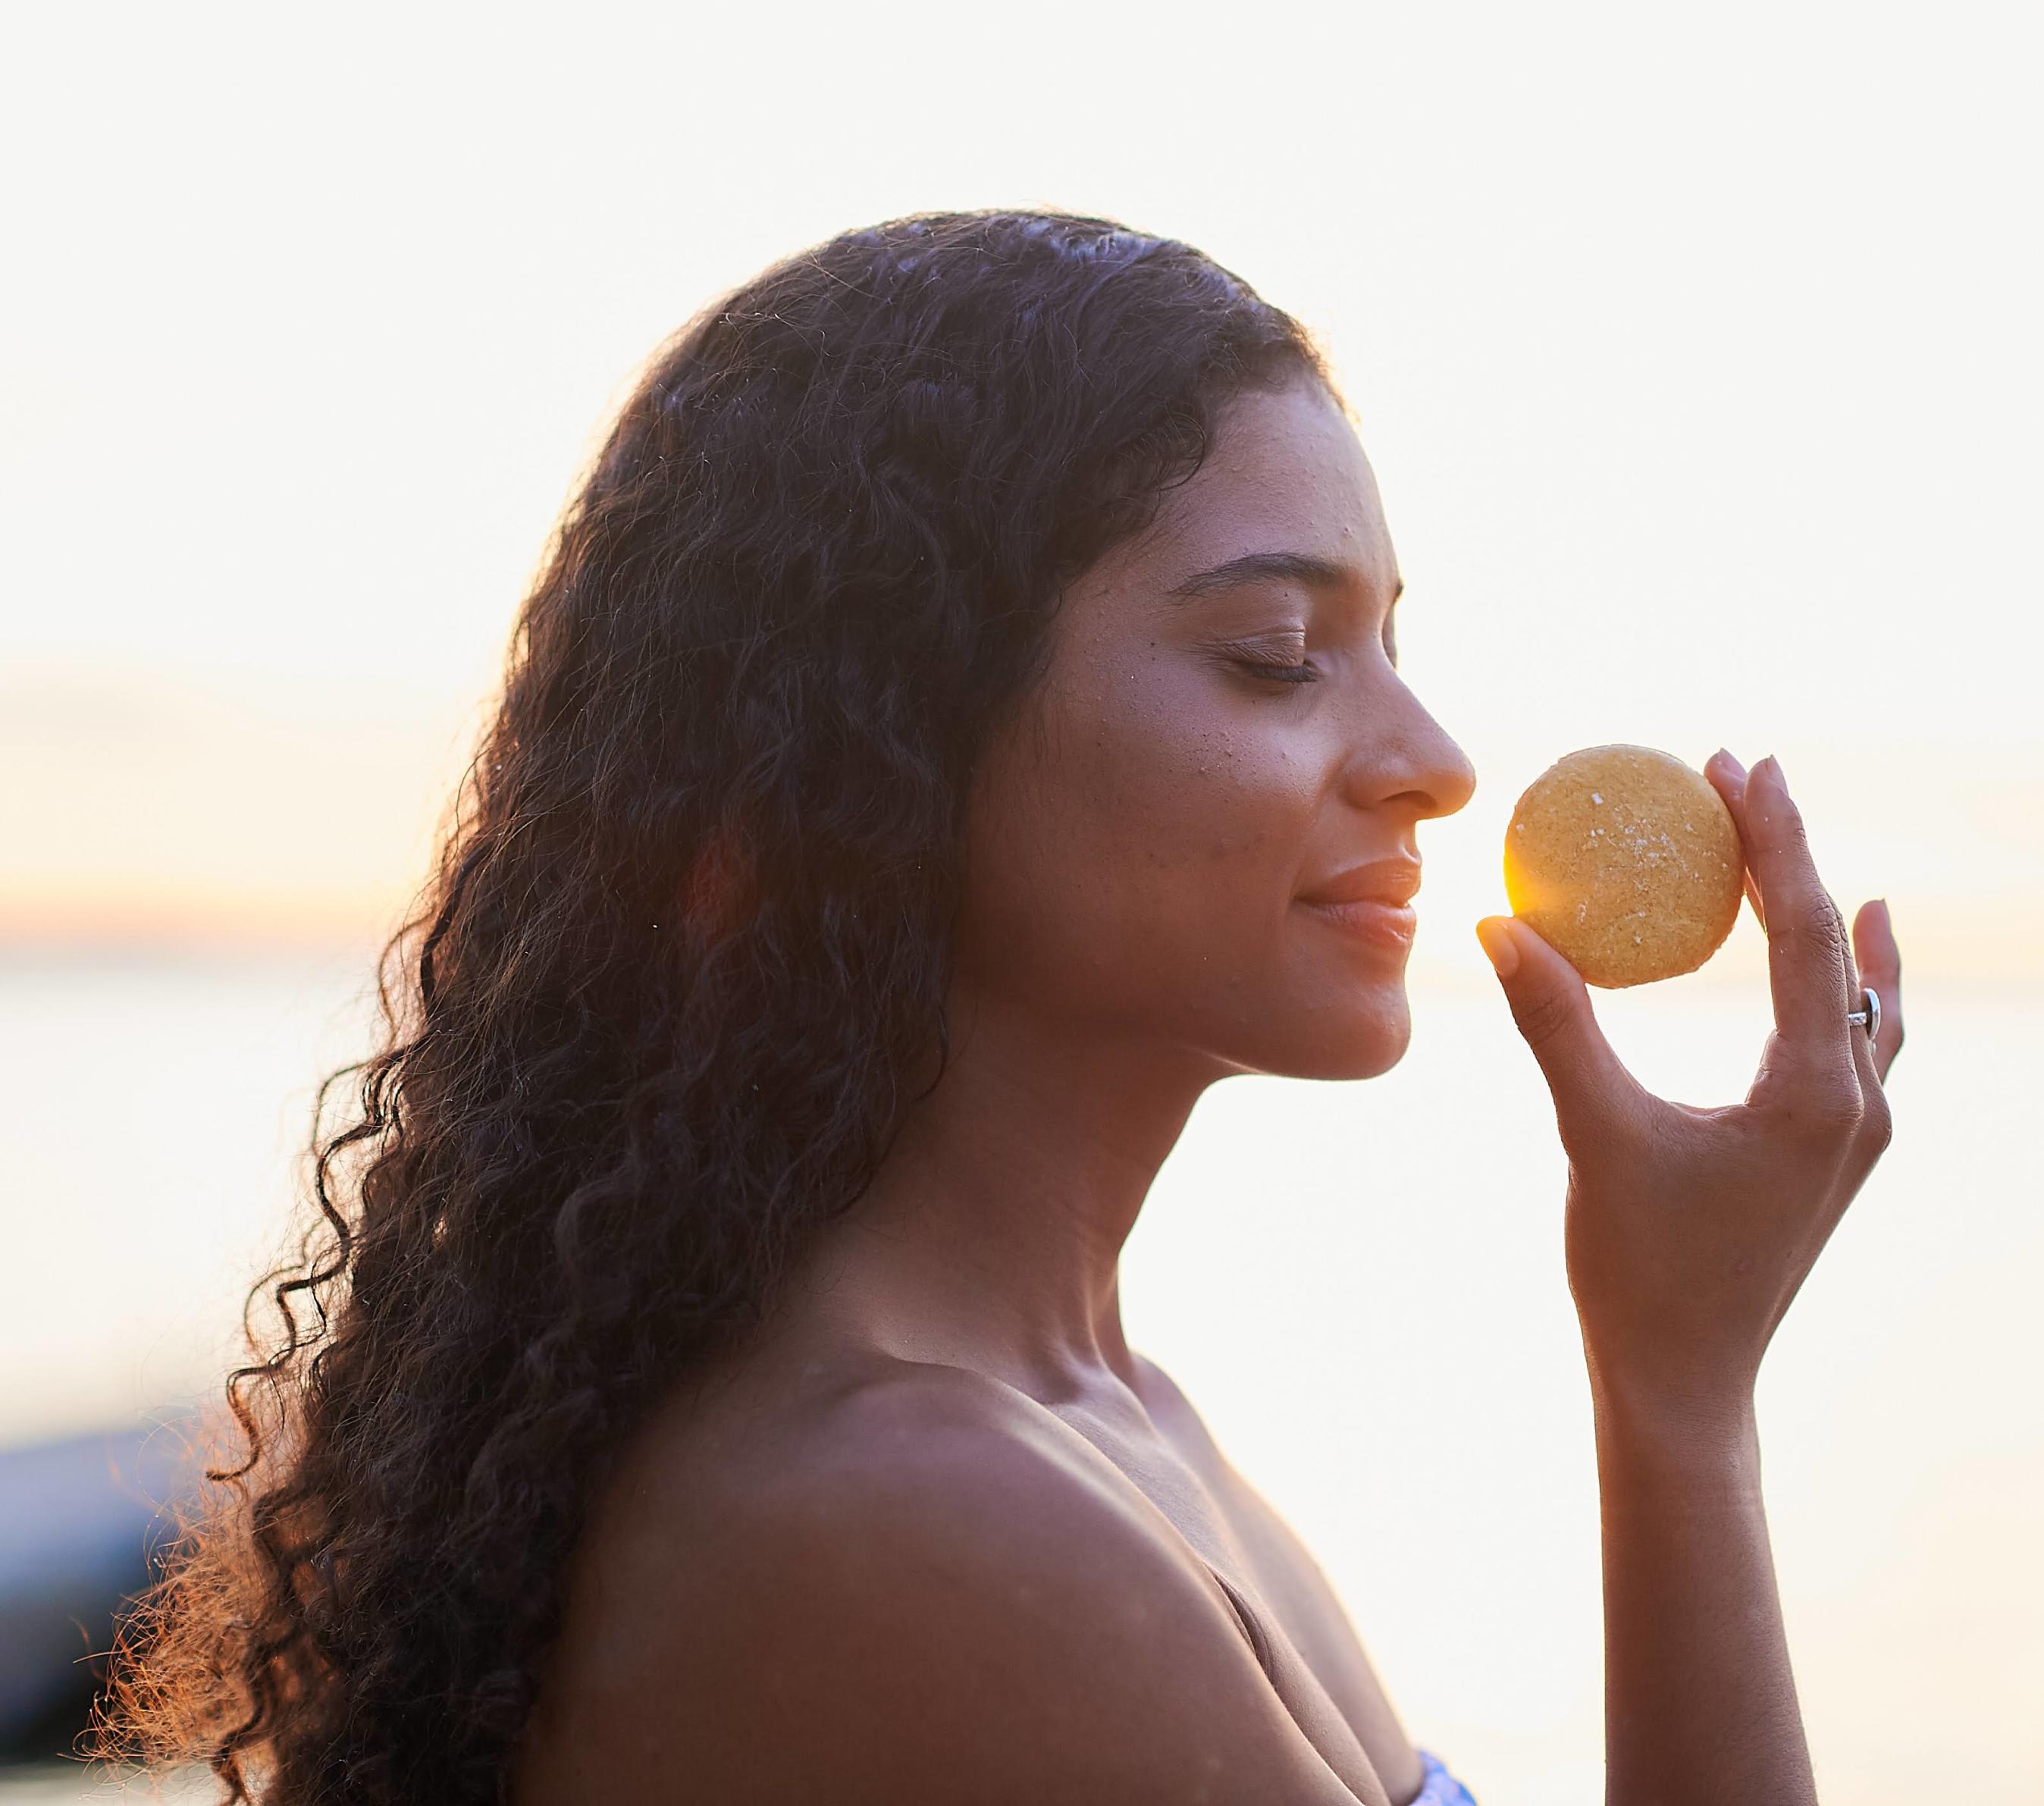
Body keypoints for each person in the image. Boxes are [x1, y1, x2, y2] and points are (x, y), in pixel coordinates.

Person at [99, 209, 1903, 1805]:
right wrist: (1675, 1406)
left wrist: (1679, 1370)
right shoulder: (921, 1519)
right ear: (884, 745)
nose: (1434, 765)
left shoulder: (1103, 1422)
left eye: (1393, 650)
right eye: (1275, 654)